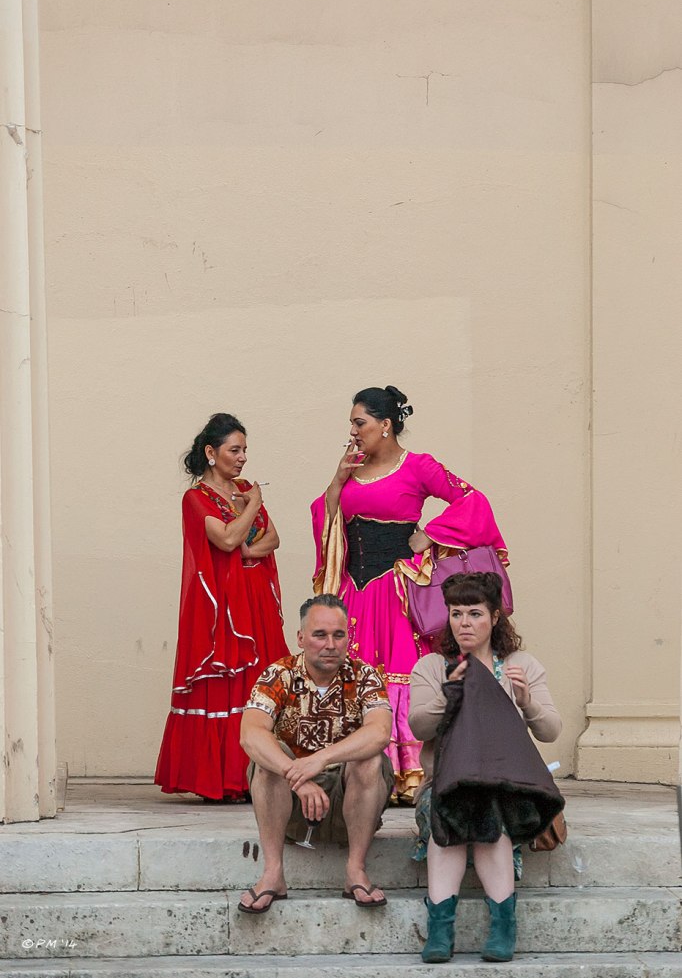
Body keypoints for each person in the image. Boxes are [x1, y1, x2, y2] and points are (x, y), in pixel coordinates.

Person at [311, 385, 507, 803]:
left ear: (385, 424)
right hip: (352, 590)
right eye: (351, 423)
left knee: (399, 672)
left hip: (395, 591)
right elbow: (327, 517)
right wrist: (338, 479)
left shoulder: (418, 466)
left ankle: (406, 775)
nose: (353, 431)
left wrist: (431, 534)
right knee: (352, 671)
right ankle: (352, 771)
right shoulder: (351, 468)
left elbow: (473, 501)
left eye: (359, 422)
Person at [409, 572, 562, 964]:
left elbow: (550, 730)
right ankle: (441, 930)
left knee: (488, 808)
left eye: (475, 613)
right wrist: (449, 694)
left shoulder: (519, 665)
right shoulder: (432, 667)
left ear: (495, 617)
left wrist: (526, 700)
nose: (464, 623)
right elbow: (419, 727)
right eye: (456, 613)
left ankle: (502, 928)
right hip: (445, 785)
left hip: (510, 787)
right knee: (450, 808)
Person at [155, 412, 288, 803]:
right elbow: (227, 539)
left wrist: (247, 548)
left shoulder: (242, 489)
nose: (243, 457)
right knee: (225, 683)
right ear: (211, 453)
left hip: (255, 599)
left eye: (245, 449)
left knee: (258, 682)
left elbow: (272, 539)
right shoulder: (196, 499)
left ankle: (258, 776)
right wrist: (254, 507)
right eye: (235, 450)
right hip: (222, 609)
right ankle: (223, 780)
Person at [238, 593, 394, 914]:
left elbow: (380, 731)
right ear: (301, 638)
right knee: (267, 759)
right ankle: (273, 874)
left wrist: (319, 760)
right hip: (292, 809)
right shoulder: (279, 674)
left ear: (348, 637)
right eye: (319, 635)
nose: (330, 644)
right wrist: (296, 775)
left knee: (369, 758)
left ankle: (355, 870)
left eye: (338, 635)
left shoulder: (365, 675)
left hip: (349, 805)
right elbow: (250, 734)